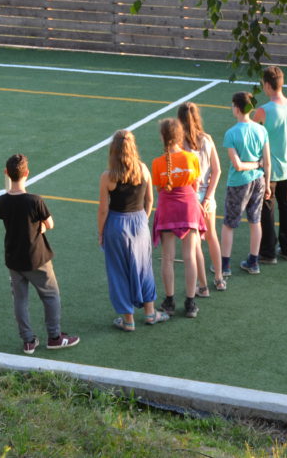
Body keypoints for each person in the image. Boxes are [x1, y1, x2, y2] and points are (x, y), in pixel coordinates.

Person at [0, 154, 79, 353]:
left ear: (6, 173)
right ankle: (54, 337)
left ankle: (28, 341)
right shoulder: (34, 200)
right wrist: (40, 226)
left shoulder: (2, 201)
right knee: (51, 296)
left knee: (20, 300)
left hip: (13, 258)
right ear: (27, 173)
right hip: (36, 258)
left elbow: (10, 218)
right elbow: (50, 224)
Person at [97, 130, 169, 330]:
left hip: (116, 225)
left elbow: (103, 209)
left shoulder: (107, 177)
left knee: (118, 271)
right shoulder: (143, 169)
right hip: (139, 223)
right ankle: (150, 313)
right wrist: (142, 222)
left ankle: (128, 320)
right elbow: (150, 200)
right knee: (144, 268)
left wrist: (101, 233)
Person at [150, 118, 207, 318]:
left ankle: (169, 300)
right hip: (189, 207)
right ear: (180, 136)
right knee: (190, 256)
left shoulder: (157, 163)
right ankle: (190, 303)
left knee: (167, 258)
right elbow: (196, 186)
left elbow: (159, 188)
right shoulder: (192, 158)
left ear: (163, 137)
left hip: (167, 208)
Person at [220, 92, 271, 275]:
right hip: (259, 180)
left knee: (229, 223)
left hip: (238, 183)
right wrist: (267, 182)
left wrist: (254, 165)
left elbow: (238, 166)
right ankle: (253, 261)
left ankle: (224, 265)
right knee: (255, 221)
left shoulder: (231, 133)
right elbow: (267, 161)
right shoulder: (261, 130)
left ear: (238, 108)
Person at [177, 102, 226, 293]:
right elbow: (217, 170)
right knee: (212, 235)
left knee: (194, 242)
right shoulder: (207, 139)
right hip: (207, 194)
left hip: (190, 196)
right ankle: (219, 278)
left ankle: (202, 285)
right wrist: (209, 195)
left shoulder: (180, 143)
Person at [252, 66, 287, 262]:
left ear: (267, 85)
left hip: (268, 169)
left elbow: (253, 138)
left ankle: (268, 252)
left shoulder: (263, 111)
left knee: (267, 210)